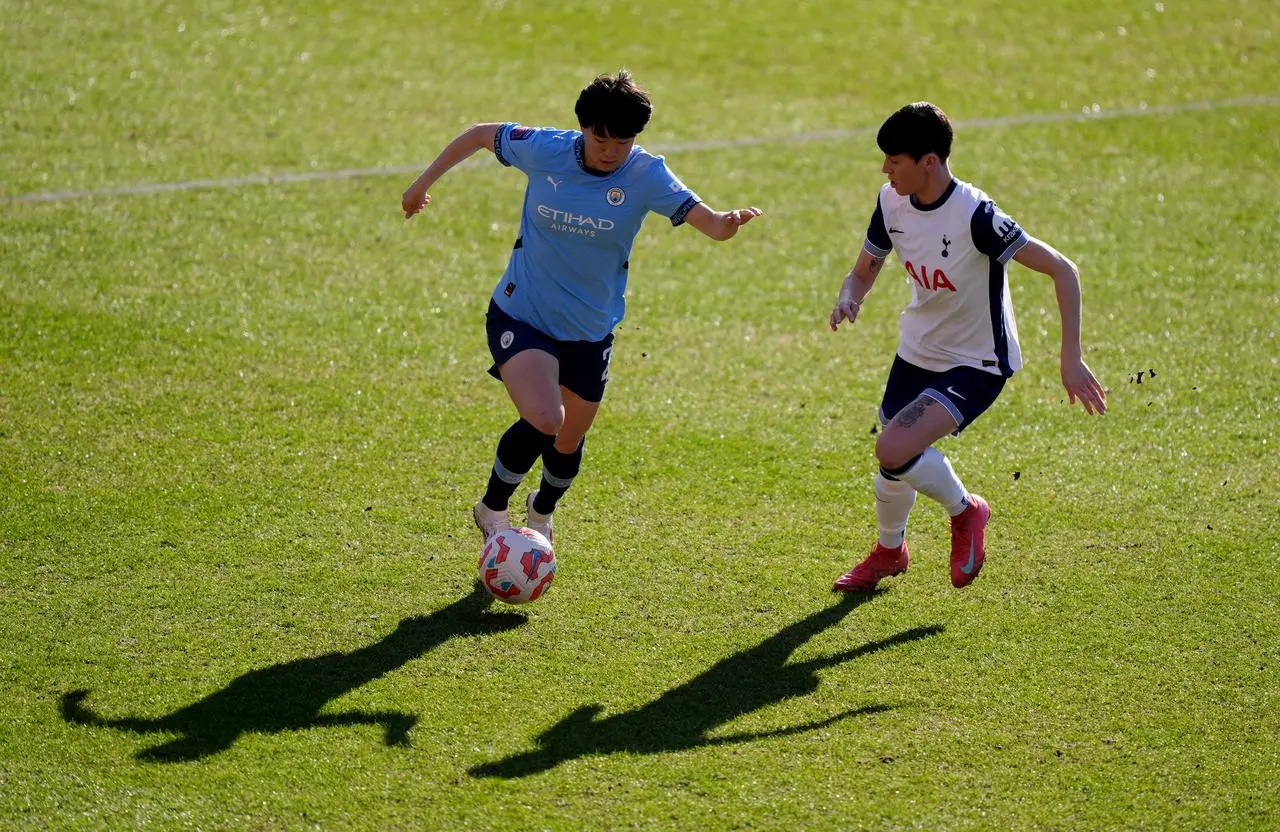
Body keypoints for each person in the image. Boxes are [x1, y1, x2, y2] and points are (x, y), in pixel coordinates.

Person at [402, 71, 762, 547]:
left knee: (568, 439)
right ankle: (492, 508)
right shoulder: (546, 149)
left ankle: (541, 510)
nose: (611, 149)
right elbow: (478, 135)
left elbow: (711, 225)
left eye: (624, 139)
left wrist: (728, 222)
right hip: (521, 313)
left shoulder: (647, 174)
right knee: (546, 418)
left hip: (591, 330)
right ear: (584, 128)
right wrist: (421, 184)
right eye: (600, 137)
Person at [828, 101, 1106, 592]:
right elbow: (864, 268)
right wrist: (850, 295)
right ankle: (890, 552)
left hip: (976, 362)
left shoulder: (975, 215)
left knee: (893, 447)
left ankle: (967, 511)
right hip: (917, 351)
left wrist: (1071, 357)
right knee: (894, 464)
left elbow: (1064, 269)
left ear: (928, 162)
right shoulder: (891, 202)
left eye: (895, 160)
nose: (885, 169)